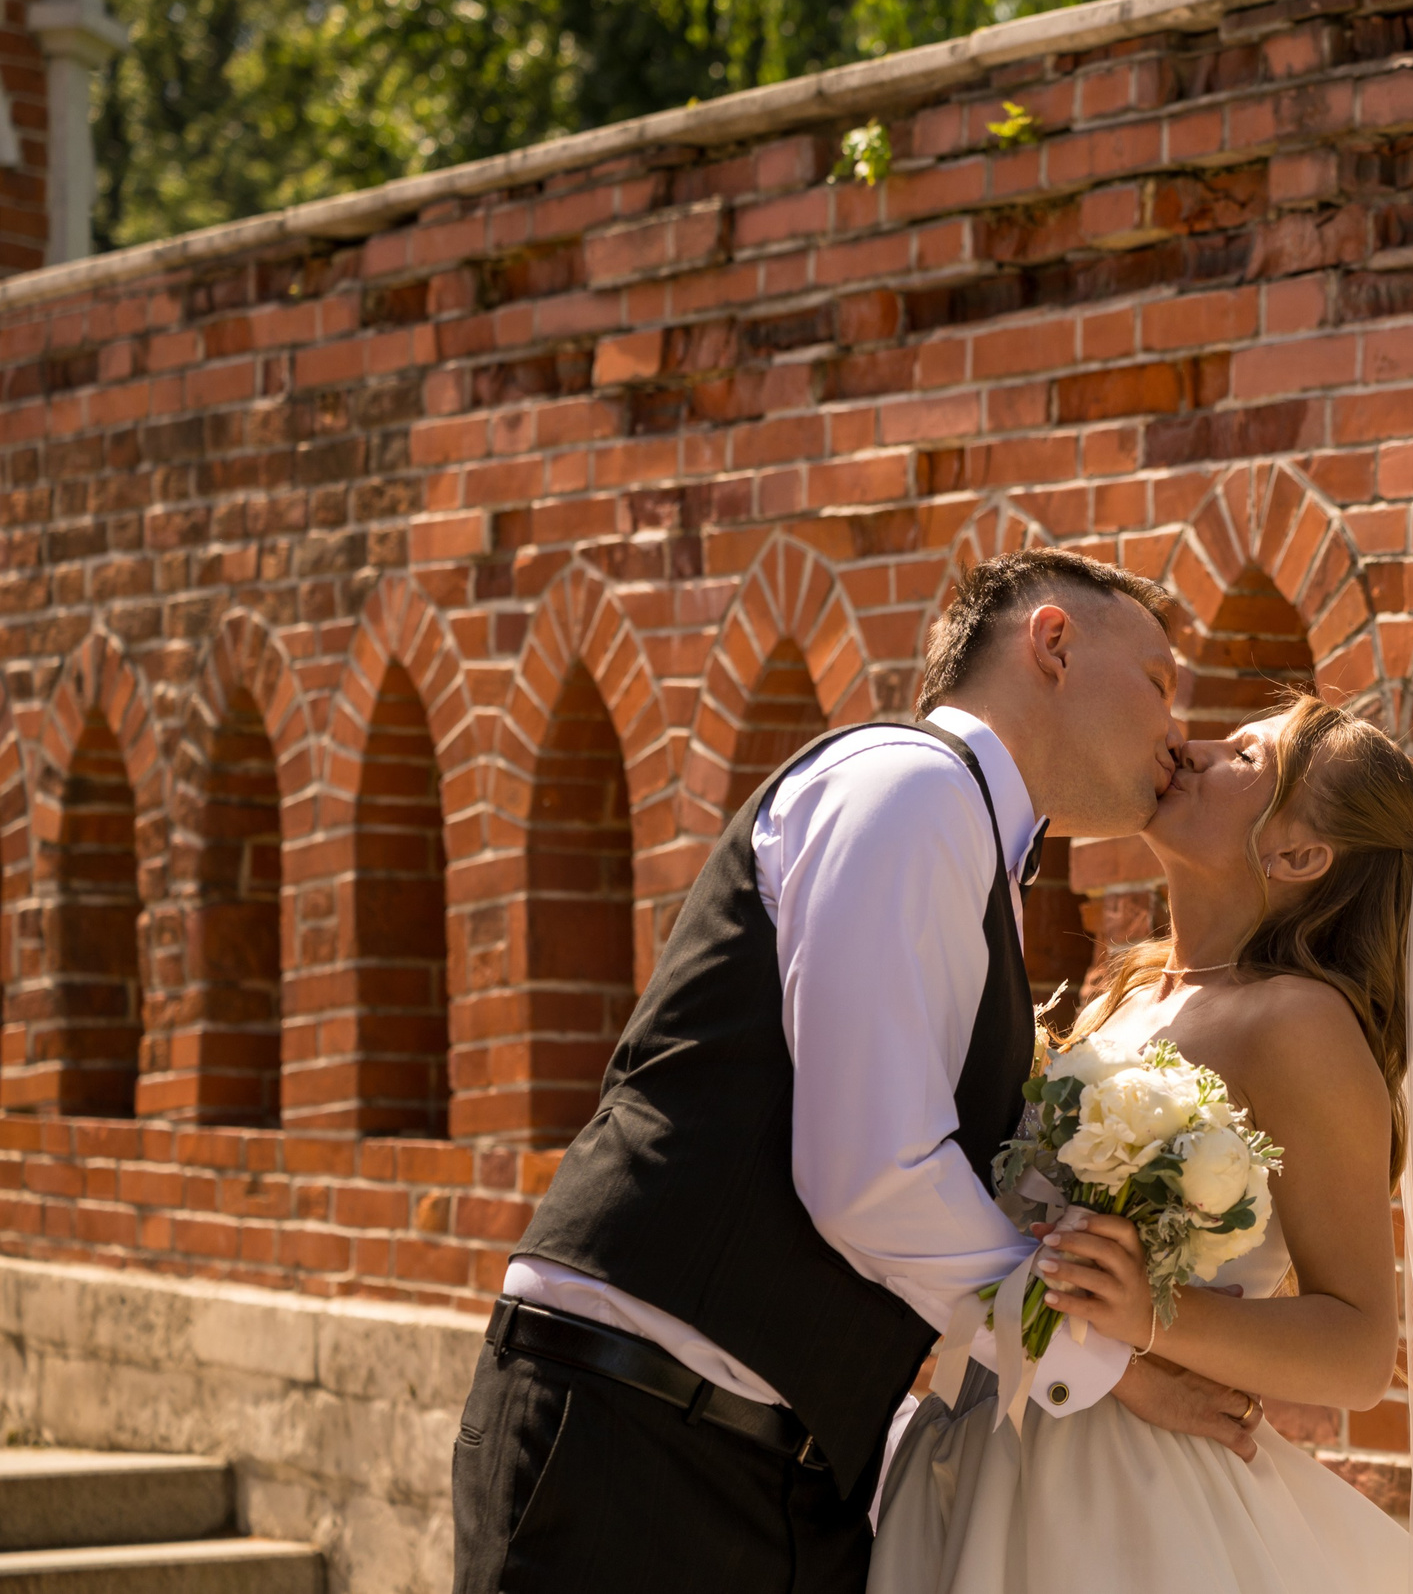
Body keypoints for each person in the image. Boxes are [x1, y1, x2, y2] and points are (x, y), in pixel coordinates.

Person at [450, 549, 1266, 1594]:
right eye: (1158, 681)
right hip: (634, 1442)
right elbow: (872, 1174)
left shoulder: (972, 845)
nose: (1177, 730)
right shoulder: (908, 788)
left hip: (774, 1469)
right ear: (1053, 644)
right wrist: (1110, 1368)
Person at [870, 691, 1413, 1594]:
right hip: (986, 1432)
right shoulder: (1129, 994)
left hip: (1129, 1501)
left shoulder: (1300, 1023)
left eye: (1243, 756)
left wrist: (1151, 1317)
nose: (1189, 750)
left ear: (1299, 852)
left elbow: (1357, 1350)